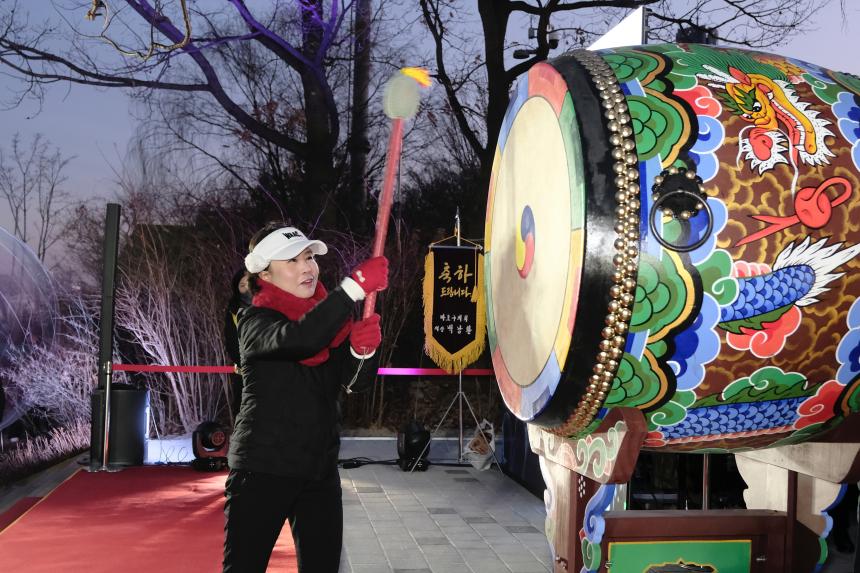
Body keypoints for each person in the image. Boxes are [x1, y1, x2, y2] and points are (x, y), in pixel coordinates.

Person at [223, 222, 387, 573]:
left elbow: (355, 383)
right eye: (292, 261)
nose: (307, 267)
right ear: (264, 273)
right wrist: (353, 287)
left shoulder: (331, 321)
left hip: (318, 471)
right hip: (262, 469)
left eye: (309, 257)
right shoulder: (255, 322)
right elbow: (301, 338)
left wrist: (362, 352)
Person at [223, 269, 252, 419]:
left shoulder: (270, 305)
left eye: (250, 283)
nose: (247, 288)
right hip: (244, 374)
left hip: (271, 372)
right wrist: (246, 364)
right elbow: (231, 343)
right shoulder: (233, 311)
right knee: (244, 415)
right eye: (242, 285)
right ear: (237, 289)